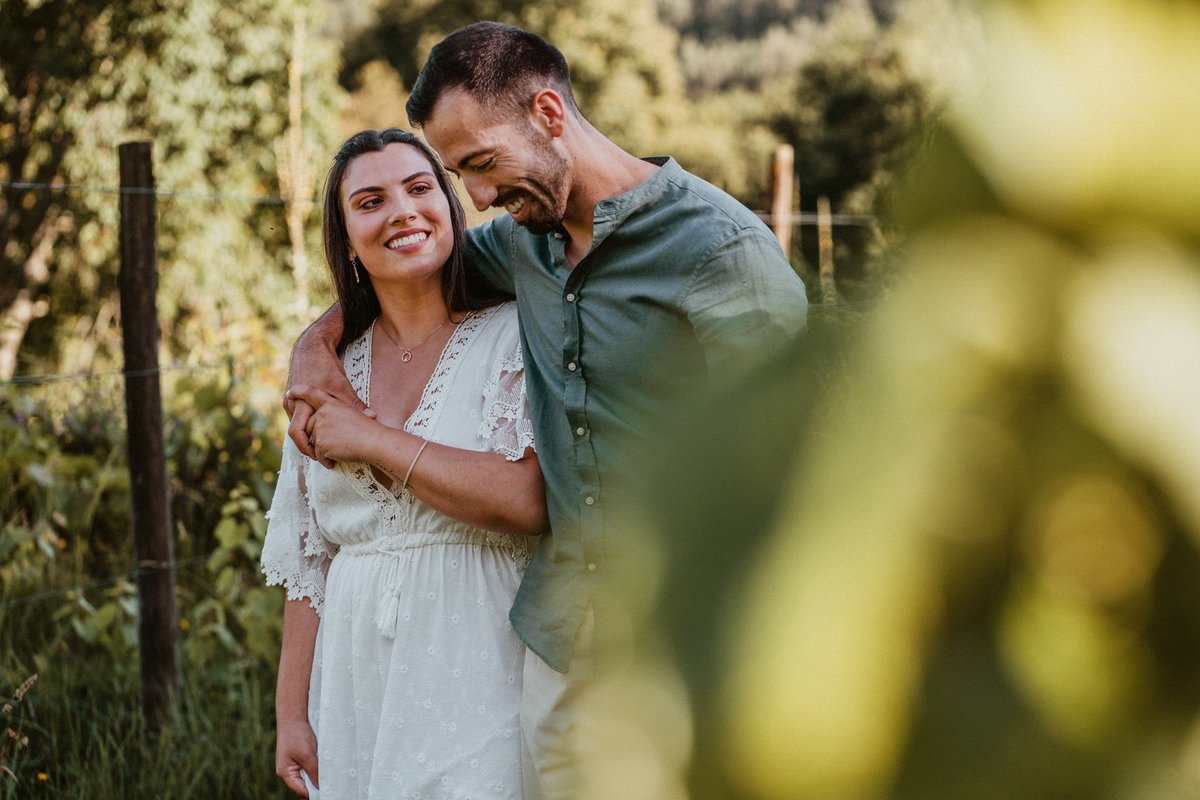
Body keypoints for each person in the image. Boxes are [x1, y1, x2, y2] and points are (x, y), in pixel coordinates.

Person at [284, 22, 808, 797]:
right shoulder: (522, 244)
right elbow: (404, 272)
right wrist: (311, 347)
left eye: (483, 164)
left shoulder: (721, 254)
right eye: (462, 175)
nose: (481, 198)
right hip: (559, 643)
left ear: (549, 115)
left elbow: (788, 473)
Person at [261, 128, 547, 799]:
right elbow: (309, 560)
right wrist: (291, 714)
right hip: (357, 675)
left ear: (451, 208)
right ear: (347, 238)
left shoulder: (513, 335)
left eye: (420, 189)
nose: (402, 211)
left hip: (482, 652)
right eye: (370, 201)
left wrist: (367, 438)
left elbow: (526, 499)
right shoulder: (327, 370)